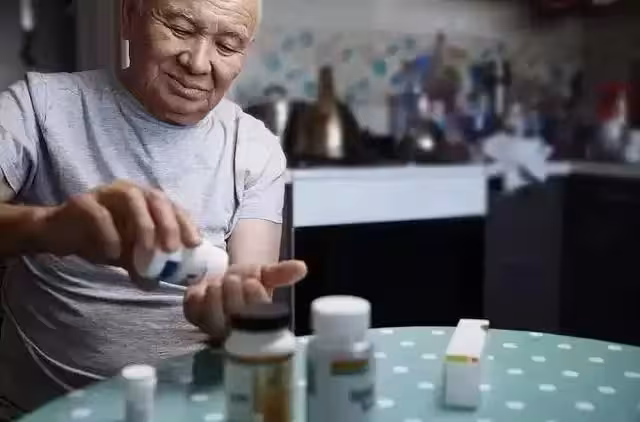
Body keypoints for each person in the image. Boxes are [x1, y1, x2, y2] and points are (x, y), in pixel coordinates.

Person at [0, 0, 307, 418]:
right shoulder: (39, 106)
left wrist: (230, 321)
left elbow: (250, 296)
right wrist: (48, 227)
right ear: (129, 18)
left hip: (191, 408)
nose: (198, 63)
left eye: (227, 45)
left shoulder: (255, 150)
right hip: (45, 410)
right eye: (180, 28)